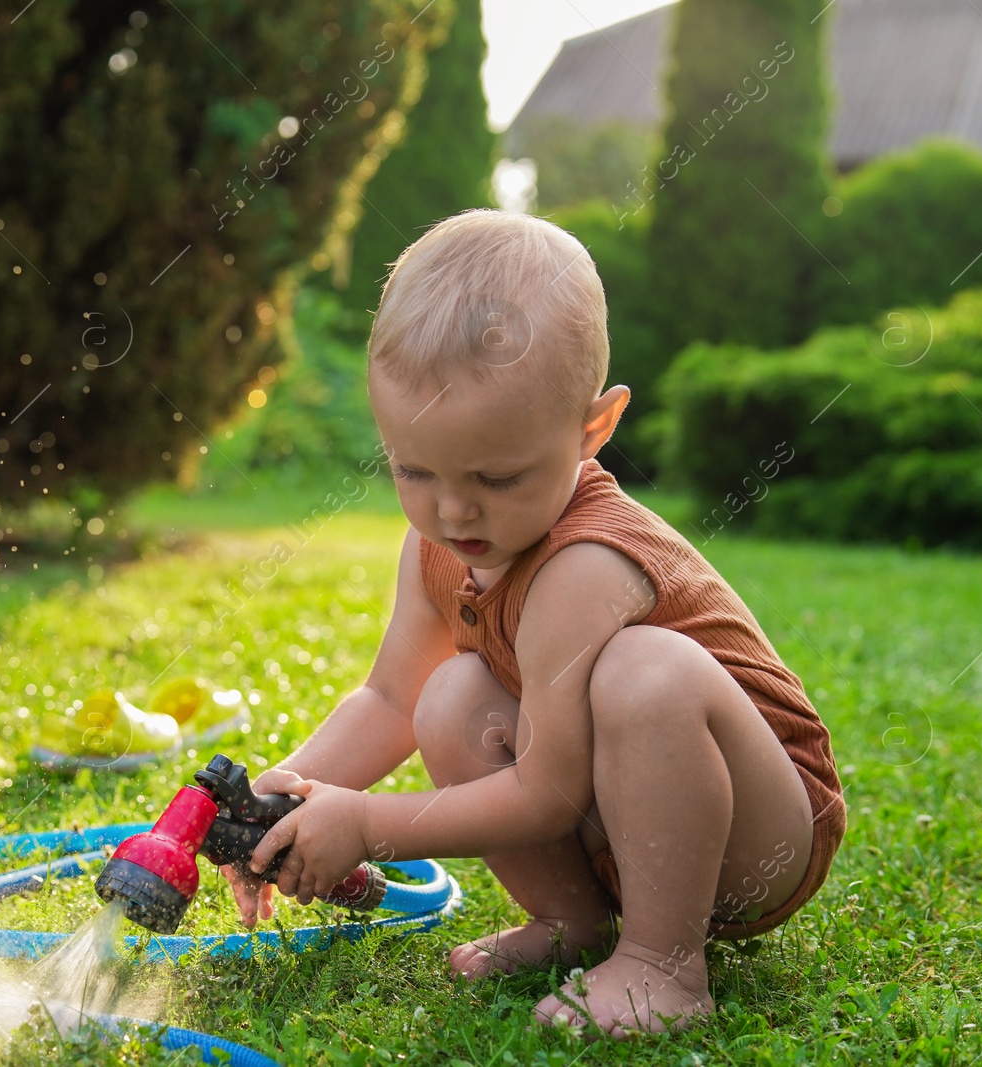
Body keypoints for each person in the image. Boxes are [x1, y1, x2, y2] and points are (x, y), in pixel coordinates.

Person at [218, 208, 845, 1037]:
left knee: (644, 670)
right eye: (413, 469)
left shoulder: (586, 564)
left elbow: (547, 792)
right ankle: (570, 923)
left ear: (593, 429)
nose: (451, 508)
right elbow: (390, 700)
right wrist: (277, 799)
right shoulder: (439, 541)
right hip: (618, 831)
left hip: (752, 832)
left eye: (498, 475)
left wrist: (369, 824)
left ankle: (664, 965)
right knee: (449, 691)